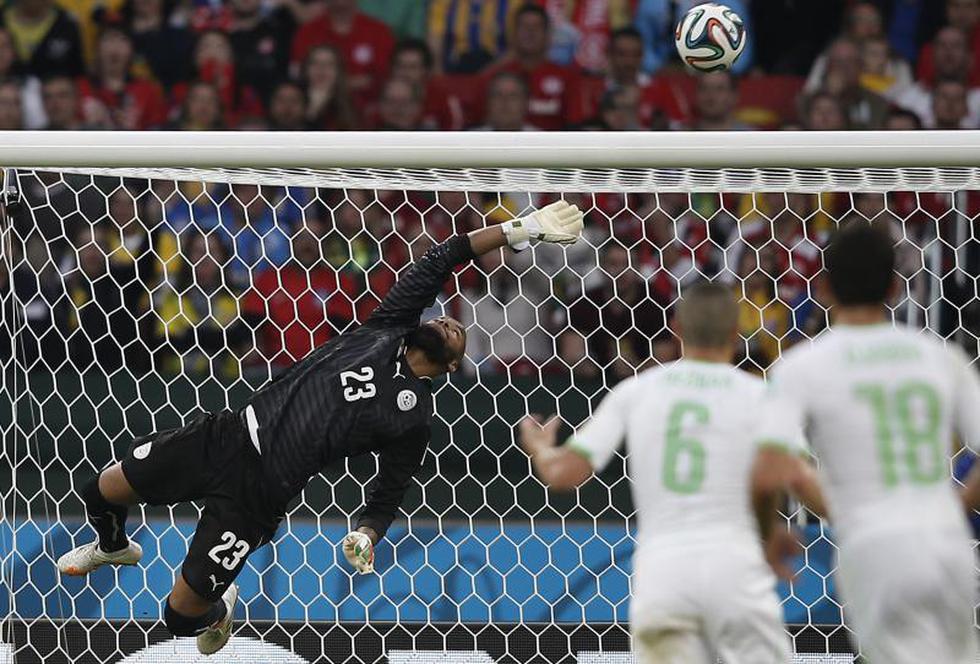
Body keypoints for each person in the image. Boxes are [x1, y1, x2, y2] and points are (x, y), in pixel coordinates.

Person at [56, 202, 585, 655]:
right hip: (226, 436)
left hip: (259, 496)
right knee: (101, 490)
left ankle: (218, 607)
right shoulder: (387, 327)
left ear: (452, 368)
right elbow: (442, 257)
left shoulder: (411, 417)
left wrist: (366, 534)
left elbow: (388, 492)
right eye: (447, 318)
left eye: (458, 331)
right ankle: (113, 546)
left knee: (179, 618)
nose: (449, 321)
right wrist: (521, 229)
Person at [519, 281, 823, 664]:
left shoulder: (636, 391)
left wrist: (540, 448)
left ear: (676, 329)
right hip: (737, 573)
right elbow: (800, 480)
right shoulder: (762, 397)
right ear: (735, 333)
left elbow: (562, 474)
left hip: (664, 577)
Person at [752, 222, 980, 663]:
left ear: (824, 287)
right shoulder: (942, 357)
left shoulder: (803, 366)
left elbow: (772, 467)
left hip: (875, 550)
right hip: (949, 545)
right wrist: (956, 506)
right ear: (895, 287)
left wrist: (770, 532)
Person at [482, 4, 584, 131]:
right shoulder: (496, 76)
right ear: (513, 33)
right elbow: (481, 124)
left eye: (536, 27)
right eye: (524, 27)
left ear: (548, 34)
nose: (530, 32)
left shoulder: (567, 77)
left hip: (551, 149)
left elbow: (574, 127)